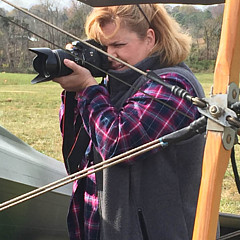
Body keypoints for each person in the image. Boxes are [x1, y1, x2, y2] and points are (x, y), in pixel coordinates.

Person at [54, 4, 205, 240]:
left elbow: (118, 144)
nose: (110, 55)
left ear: (150, 38)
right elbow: (80, 144)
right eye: (103, 47)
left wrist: (88, 89)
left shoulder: (173, 85)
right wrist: (77, 89)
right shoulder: (115, 83)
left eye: (118, 45)